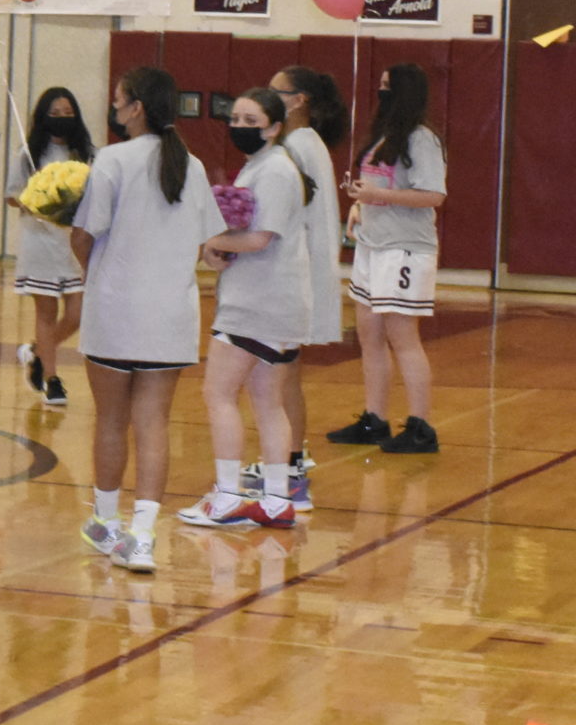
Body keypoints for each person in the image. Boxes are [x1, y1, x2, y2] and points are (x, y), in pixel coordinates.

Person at [69, 67, 222, 573]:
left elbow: (84, 234)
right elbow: (209, 245)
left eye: (118, 102)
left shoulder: (112, 159)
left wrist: (92, 268)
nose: (114, 111)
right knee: (153, 423)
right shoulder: (193, 166)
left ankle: (107, 524)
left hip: (115, 309)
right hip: (171, 316)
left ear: (136, 107)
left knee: (111, 420)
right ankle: (143, 536)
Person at [181, 89, 316, 532]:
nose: (239, 125)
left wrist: (211, 242)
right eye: (235, 117)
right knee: (265, 399)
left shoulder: (275, 169)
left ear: (275, 127)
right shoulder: (262, 166)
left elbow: (261, 238)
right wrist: (222, 248)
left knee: (218, 393)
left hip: (257, 304)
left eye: (251, 118)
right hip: (269, 300)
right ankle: (276, 500)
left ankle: (229, 495)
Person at [327, 63, 445, 454]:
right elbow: (376, 188)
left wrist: (381, 196)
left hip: (405, 247)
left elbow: (433, 196)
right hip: (371, 245)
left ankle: (421, 426)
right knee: (369, 335)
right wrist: (360, 205)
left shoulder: (422, 140)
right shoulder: (382, 138)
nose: (381, 94)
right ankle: (374, 419)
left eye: (386, 87)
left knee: (402, 337)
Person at [270, 63, 349, 486]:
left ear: (299, 100)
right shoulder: (306, 141)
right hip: (303, 271)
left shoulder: (297, 146)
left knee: (279, 374)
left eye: (275, 91)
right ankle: (290, 456)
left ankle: (287, 462)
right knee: (285, 372)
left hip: (292, 274)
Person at [8, 86, 92, 408]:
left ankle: (37, 351)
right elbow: (12, 194)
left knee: (77, 313)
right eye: (55, 113)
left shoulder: (87, 153)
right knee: (46, 312)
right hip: (40, 241)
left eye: (67, 113)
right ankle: (52, 380)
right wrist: (39, 200)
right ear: (43, 116)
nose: (61, 119)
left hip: (74, 244)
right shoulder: (28, 155)